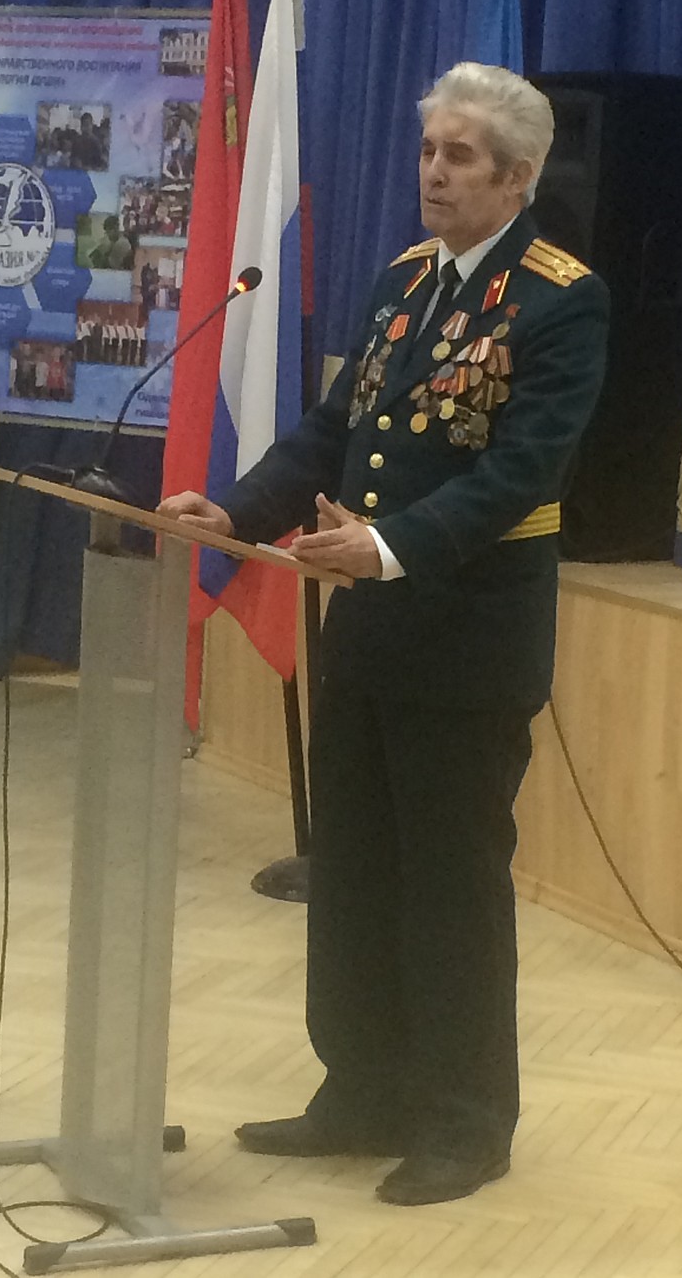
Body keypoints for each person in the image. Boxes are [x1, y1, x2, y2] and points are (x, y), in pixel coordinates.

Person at [158, 62, 609, 1208]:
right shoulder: (406, 281)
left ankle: (465, 1121)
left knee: (450, 885)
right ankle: (361, 1092)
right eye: (428, 150)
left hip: (466, 639)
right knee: (354, 873)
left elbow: (520, 472)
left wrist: (390, 544)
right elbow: (331, 430)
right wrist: (237, 512)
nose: (434, 173)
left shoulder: (561, 300)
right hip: (366, 631)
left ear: (517, 176)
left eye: (460, 156)